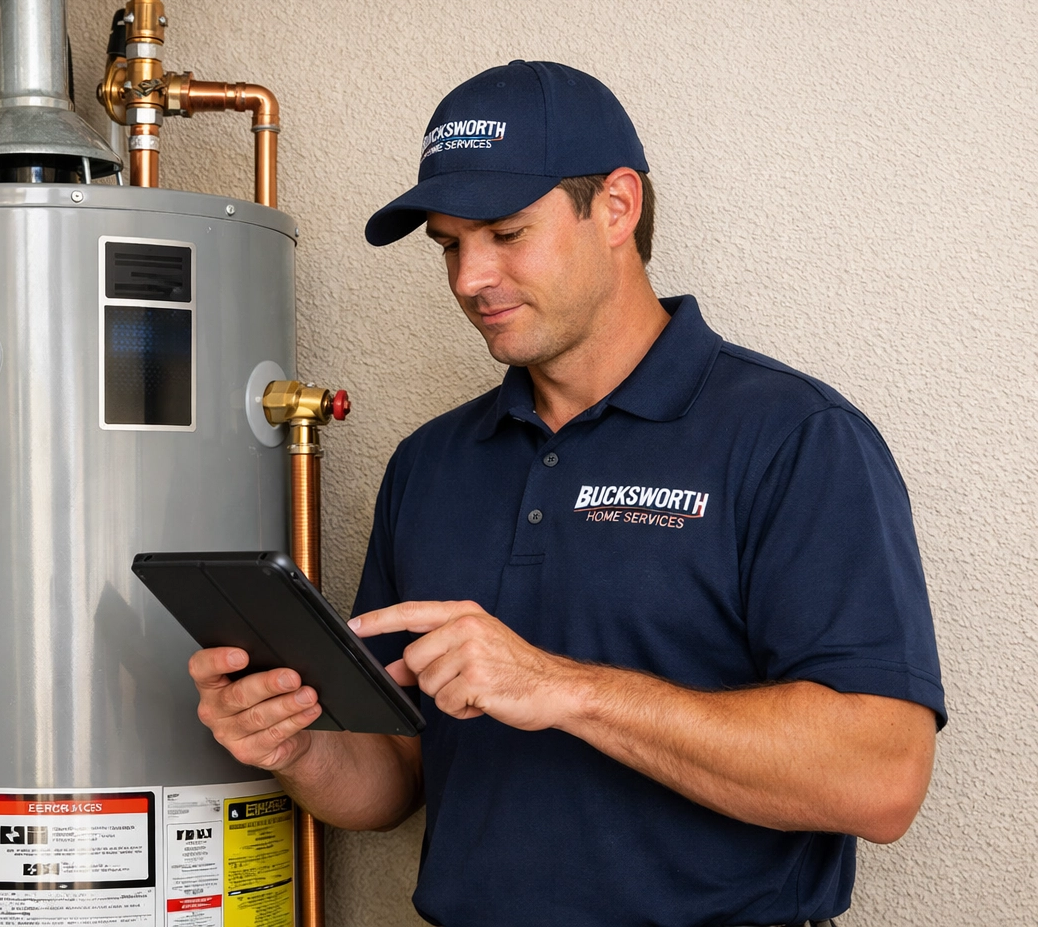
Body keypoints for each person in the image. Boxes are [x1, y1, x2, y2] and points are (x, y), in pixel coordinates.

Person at [186, 61, 944, 927]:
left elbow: (882, 780)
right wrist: (296, 745)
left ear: (616, 207)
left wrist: (567, 688)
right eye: (450, 244)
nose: (470, 278)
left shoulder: (793, 439)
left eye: (506, 233)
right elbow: (396, 780)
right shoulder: (432, 464)